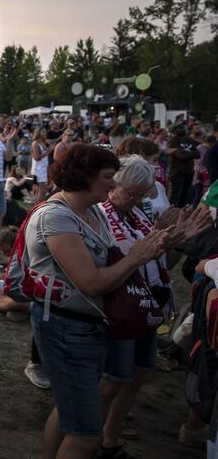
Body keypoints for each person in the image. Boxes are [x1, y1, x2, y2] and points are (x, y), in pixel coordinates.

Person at [27, 144, 167, 459]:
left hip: (88, 326)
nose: (113, 184)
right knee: (87, 435)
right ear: (85, 176)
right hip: (65, 327)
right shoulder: (56, 216)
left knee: (70, 414)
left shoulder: (90, 212)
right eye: (107, 177)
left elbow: (107, 266)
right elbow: (90, 282)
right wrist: (135, 258)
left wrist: (155, 245)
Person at [97, 156, 211, 458]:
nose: (136, 199)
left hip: (146, 306)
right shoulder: (100, 215)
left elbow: (163, 265)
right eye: (131, 192)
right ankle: (89, 437)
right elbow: (119, 264)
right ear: (113, 184)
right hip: (120, 310)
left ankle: (110, 439)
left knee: (138, 374)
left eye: (141, 194)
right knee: (114, 380)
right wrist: (157, 240)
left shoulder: (138, 216)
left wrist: (174, 244)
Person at [31, 129, 50, 202]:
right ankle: (39, 207)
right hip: (38, 170)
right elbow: (36, 157)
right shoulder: (35, 143)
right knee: (42, 190)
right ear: (38, 133)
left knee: (40, 190)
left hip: (43, 168)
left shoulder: (43, 142)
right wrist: (48, 151)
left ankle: (37, 206)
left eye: (45, 131)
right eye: (43, 131)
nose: (45, 133)